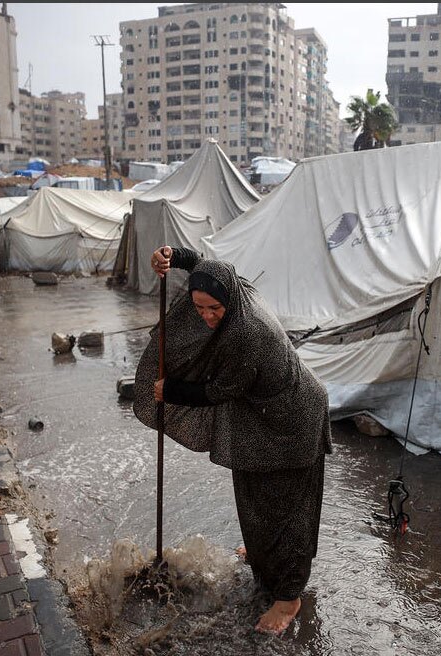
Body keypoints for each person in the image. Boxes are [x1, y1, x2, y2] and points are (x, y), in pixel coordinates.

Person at [132, 245, 332, 636]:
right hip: (257, 416)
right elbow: (208, 265)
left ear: (230, 302)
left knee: (289, 509)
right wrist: (174, 256)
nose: (206, 316)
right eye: (199, 307)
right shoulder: (233, 288)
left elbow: (219, 390)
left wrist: (170, 390)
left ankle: (289, 596)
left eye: (214, 310)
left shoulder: (245, 332)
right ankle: (261, 554)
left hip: (293, 419)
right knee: (254, 494)